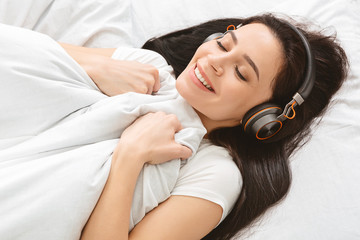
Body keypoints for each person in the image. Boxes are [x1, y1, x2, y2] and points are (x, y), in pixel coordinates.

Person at [0, 13, 348, 240]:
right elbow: (16, 54)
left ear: (265, 118)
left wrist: (130, 157)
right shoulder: (146, 67)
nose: (214, 61)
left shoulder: (214, 173)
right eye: (224, 44)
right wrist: (94, 64)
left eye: (242, 73)